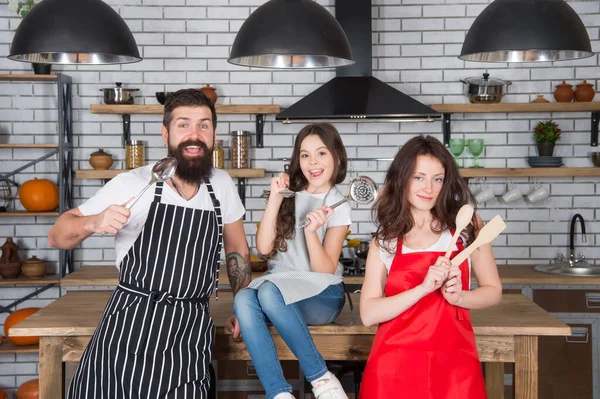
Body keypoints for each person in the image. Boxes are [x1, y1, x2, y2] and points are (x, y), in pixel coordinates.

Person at [48, 89, 252, 398]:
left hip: (189, 330)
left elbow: (237, 249)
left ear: (214, 133)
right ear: (165, 133)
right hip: (130, 327)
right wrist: (94, 221)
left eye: (204, 125)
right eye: (183, 124)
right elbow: (58, 235)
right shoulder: (134, 182)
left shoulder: (221, 184)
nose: (194, 135)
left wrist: (244, 306)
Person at [358, 135, 502, 399]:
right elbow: (368, 314)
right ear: (402, 179)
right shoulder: (386, 240)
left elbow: (493, 291)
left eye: (438, 178)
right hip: (393, 367)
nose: (429, 188)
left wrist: (460, 297)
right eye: (418, 177)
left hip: (454, 367)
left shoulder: (467, 228)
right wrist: (423, 289)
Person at [228, 123, 352, 399]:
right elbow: (262, 248)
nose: (313, 162)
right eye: (305, 155)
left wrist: (310, 233)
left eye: (321, 153)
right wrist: (274, 199)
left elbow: (324, 270)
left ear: (337, 158)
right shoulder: (287, 194)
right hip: (281, 290)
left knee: (270, 292)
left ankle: (321, 379)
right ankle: (279, 394)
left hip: (322, 294)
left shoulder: (339, 204)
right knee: (243, 300)